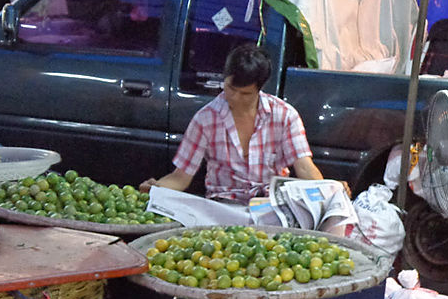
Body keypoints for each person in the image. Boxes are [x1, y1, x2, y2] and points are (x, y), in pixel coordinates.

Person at [140, 43, 335, 204]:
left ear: (260, 89)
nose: (234, 97)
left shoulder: (285, 116)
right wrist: (156, 188)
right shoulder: (205, 119)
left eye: (245, 94)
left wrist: (329, 190)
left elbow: (304, 167)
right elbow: (180, 177)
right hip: (223, 205)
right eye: (230, 88)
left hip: (269, 205)